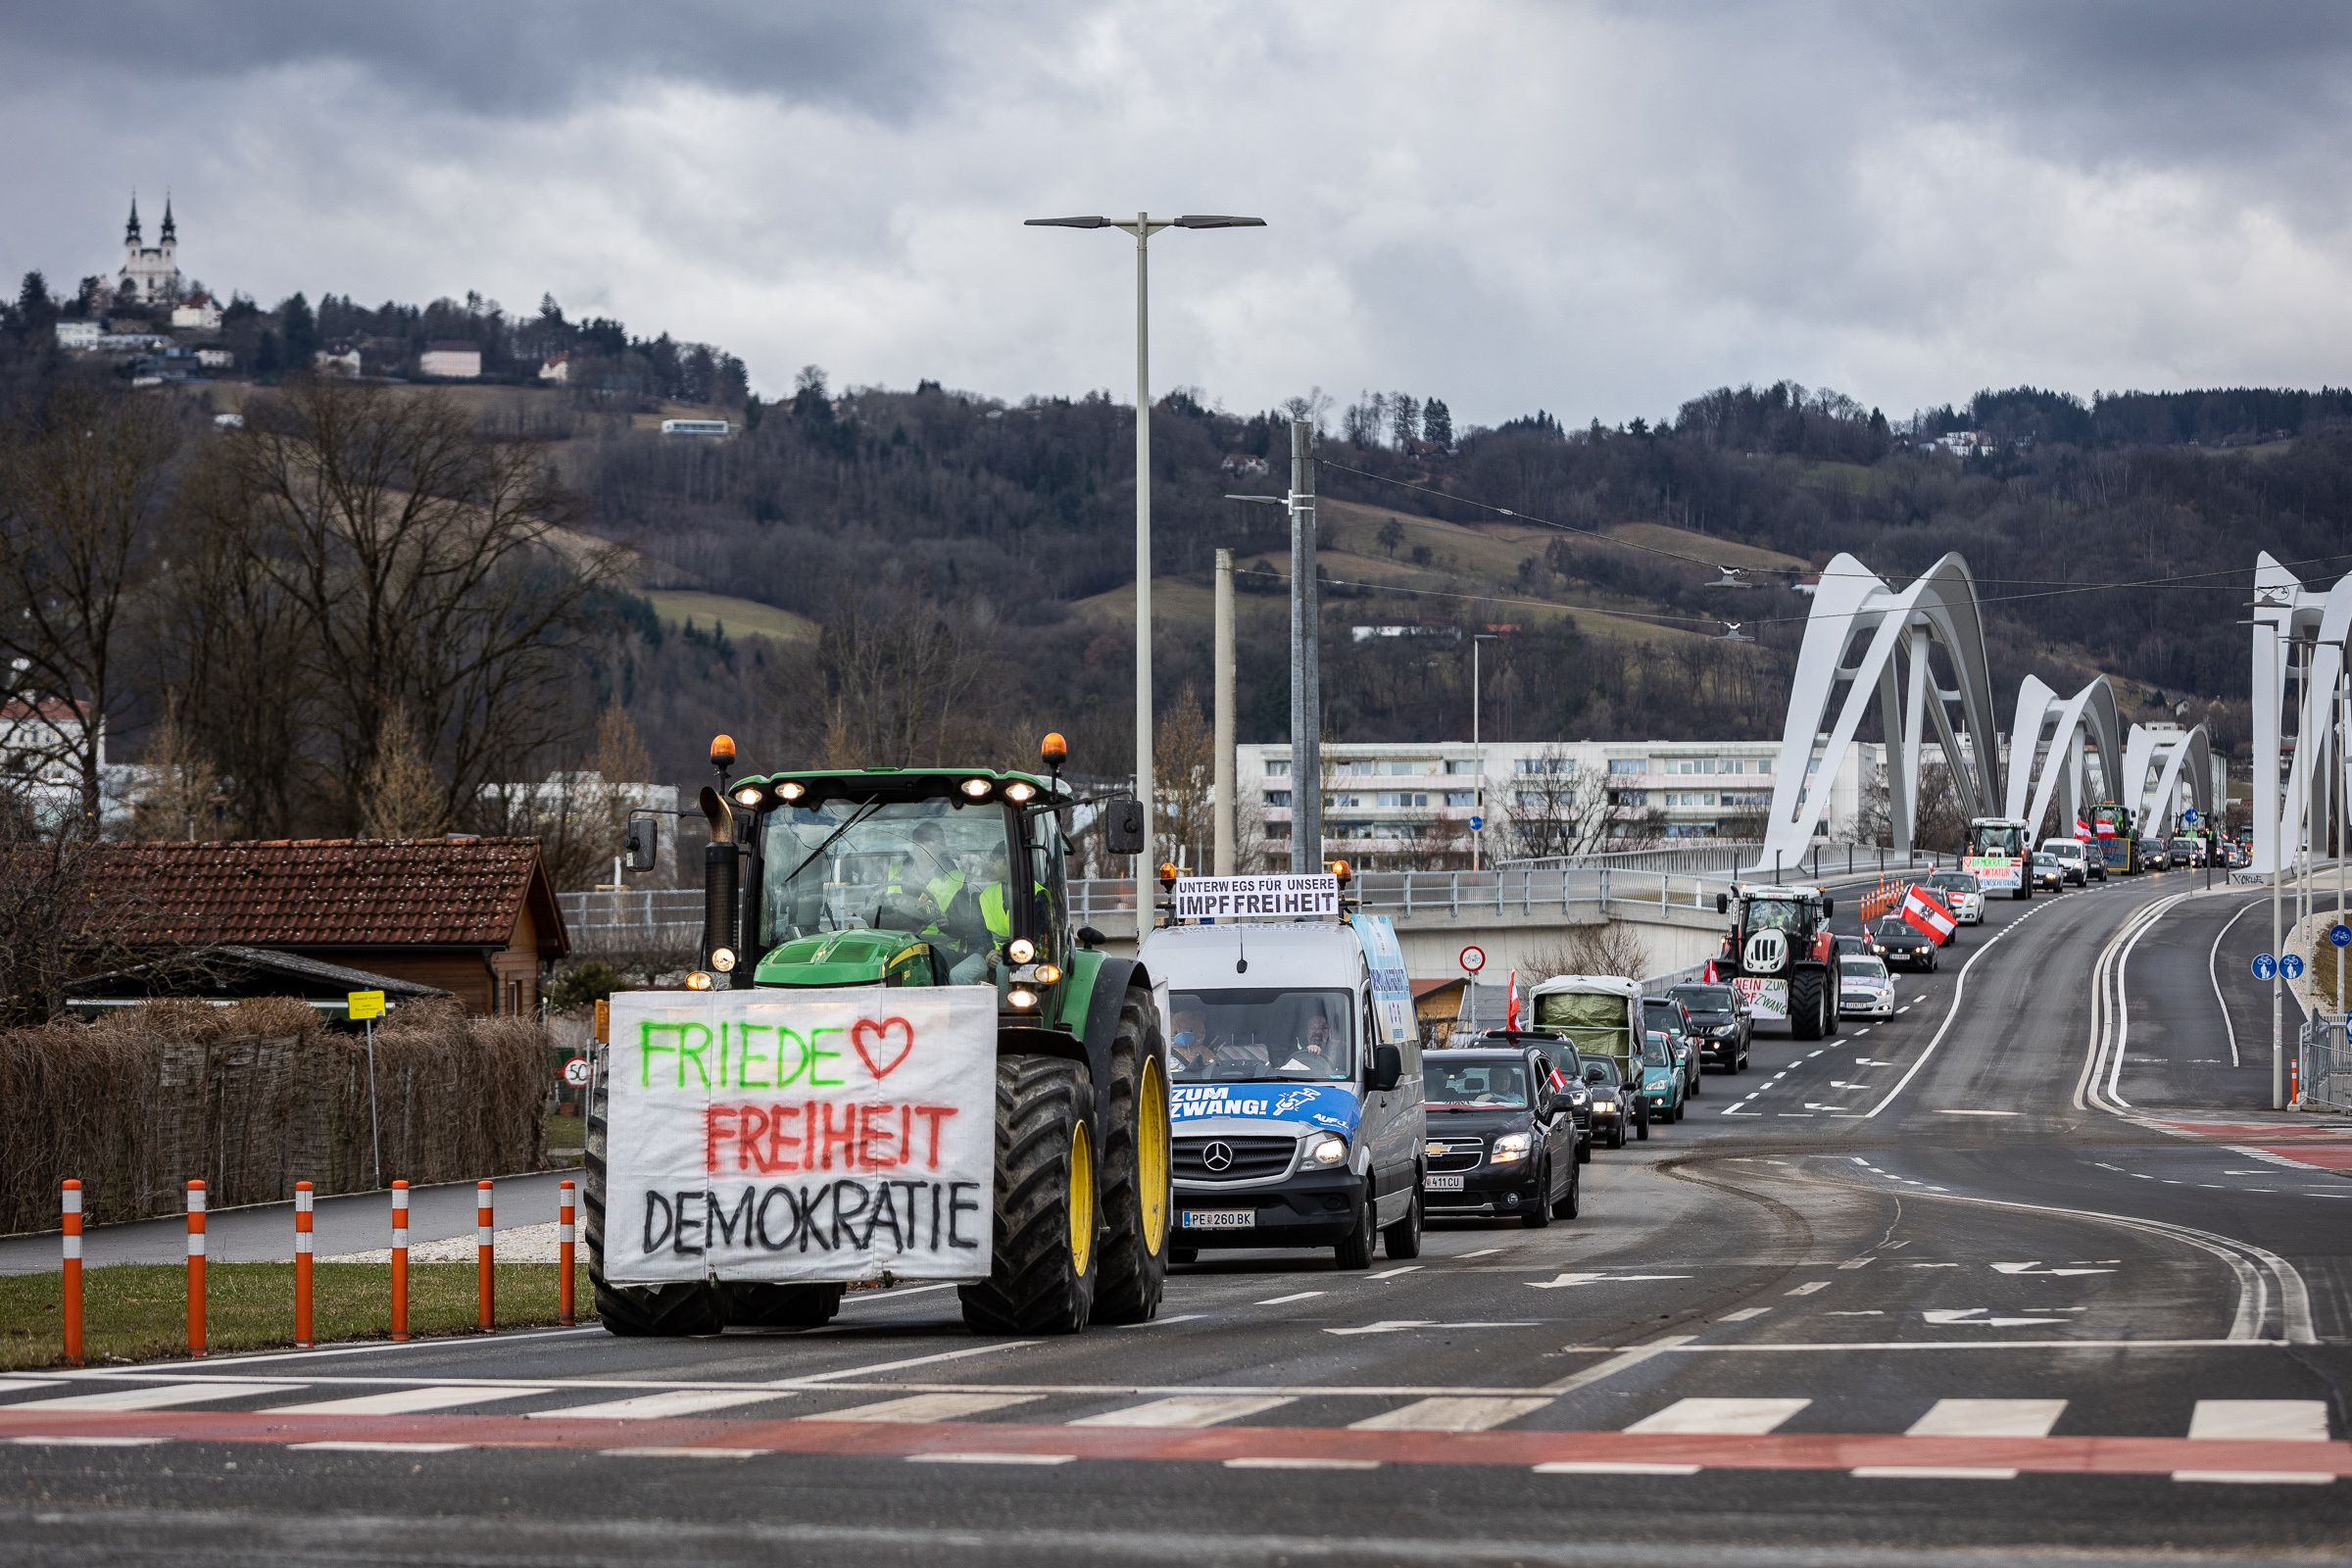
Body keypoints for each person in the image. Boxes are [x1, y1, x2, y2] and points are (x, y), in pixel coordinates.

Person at [1278, 1009, 1343, 1076]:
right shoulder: (1293, 1051)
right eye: (1313, 1027)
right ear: (1307, 1032)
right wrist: (1309, 1051)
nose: (1318, 1032)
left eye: (1324, 1028)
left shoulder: (1338, 1051)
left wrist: (1335, 1051)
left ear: (1329, 1032)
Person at [1170, 1008, 1214, 1079]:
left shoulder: (1203, 1050)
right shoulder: (1167, 1053)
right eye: (1176, 1032)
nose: (1183, 1035)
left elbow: (1214, 1064)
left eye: (1190, 1030)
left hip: (1202, 1080)